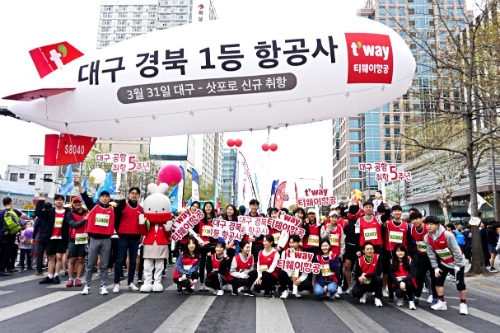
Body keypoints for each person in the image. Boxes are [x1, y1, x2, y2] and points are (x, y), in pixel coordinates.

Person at [76, 176, 124, 295]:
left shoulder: (112, 210)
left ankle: (103, 286)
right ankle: (87, 286)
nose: (104, 198)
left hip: (107, 239)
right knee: (91, 264)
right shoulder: (93, 207)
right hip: (94, 239)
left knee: (104, 265)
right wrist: (78, 184)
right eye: (102, 196)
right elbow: (85, 197)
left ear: (109, 199)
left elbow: (122, 206)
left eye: (106, 197)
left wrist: (120, 193)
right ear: (99, 198)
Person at [424, 216, 468, 315]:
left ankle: (463, 304)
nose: (429, 226)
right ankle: (442, 302)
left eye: (431, 224)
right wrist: (435, 267)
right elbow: (431, 253)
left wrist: (457, 265)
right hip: (444, 262)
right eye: (427, 224)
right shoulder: (427, 237)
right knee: (438, 280)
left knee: (460, 283)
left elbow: (456, 250)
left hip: (457, 262)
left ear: (437, 225)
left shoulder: (447, 235)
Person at [35, 194, 70, 284]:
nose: (59, 201)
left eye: (61, 200)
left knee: (59, 257)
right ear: (54, 202)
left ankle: (56, 275)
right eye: (57, 200)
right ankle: (50, 276)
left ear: (63, 201)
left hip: (62, 238)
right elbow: (38, 213)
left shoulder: (68, 212)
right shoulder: (50, 212)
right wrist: (41, 201)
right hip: (51, 237)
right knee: (51, 257)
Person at [113, 187, 142, 293]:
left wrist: (141, 235)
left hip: (135, 238)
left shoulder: (140, 208)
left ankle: (130, 283)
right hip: (123, 237)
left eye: (136, 193)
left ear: (139, 195)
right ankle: (116, 283)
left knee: (133, 261)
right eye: (132, 193)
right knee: (120, 260)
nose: (134, 195)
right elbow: (116, 213)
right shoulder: (123, 205)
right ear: (129, 194)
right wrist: (120, 195)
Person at [382, 205, 412, 300]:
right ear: (392, 213)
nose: (397, 212)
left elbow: (409, 240)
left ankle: (405, 294)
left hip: (402, 253)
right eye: (395, 211)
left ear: (401, 212)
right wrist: (386, 208)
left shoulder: (406, 225)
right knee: (391, 273)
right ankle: (391, 294)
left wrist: (409, 253)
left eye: (399, 210)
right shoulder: (387, 224)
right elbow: (382, 220)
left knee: (404, 272)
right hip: (389, 251)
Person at [409, 211, 437, 305]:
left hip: (432, 256)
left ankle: (434, 297)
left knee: (433, 277)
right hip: (421, 256)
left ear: (421, 219)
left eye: (417, 219)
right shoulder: (412, 229)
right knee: (419, 276)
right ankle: (416, 296)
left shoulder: (427, 228)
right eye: (413, 220)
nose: (415, 221)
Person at [278, 235, 313, 299]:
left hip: (298, 277)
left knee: (308, 284)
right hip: (288, 276)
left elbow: (305, 272)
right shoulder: (285, 253)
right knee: (281, 273)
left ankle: (296, 289)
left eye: (293, 242)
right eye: (290, 242)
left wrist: (300, 280)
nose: (291, 244)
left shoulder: (303, 254)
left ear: (298, 243)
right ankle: (285, 290)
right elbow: (283, 267)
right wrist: (291, 275)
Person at [66, 197, 89, 287]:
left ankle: (78, 278)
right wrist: (84, 219)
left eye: (78, 202)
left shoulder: (87, 213)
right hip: (73, 238)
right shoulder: (70, 214)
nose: (77, 204)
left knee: (81, 259)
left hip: (84, 239)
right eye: (75, 203)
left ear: (81, 202)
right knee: (72, 260)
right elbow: (74, 225)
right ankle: (70, 279)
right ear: (73, 204)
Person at [321, 210, 345, 297]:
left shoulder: (340, 228)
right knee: (326, 270)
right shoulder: (324, 227)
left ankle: (337, 286)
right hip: (326, 254)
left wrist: (341, 253)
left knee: (337, 271)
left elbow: (342, 241)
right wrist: (328, 228)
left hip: (336, 254)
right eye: (332, 217)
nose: (334, 219)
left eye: (336, 217)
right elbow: (323, 237)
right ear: (329, 218)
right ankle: (326, 287)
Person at [352, 242, 383, 307]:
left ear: (373, 250)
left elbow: (378, 272)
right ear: (363, 251)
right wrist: (359, 278)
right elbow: (355, 276)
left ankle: (377, 298)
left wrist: (366, 276)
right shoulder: (360, 260)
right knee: (355, 293)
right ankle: (363, 293)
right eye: (367, 249)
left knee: (379, 279)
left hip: (373, 283)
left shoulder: (377, 257)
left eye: (371, 249)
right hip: (363, 283)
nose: (369, 251)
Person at [195, 202, 217, 291]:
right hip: (201, 246)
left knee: (210, 265)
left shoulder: (215, 220)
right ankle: (202, 283)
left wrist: (210, 241)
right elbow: (195, 232)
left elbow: (217, 234)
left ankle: (208, 282)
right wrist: (198, 241)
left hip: (211, 246)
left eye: (210, 206)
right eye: (206, 206)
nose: (208, 208)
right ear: (204, 208)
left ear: (212, 208)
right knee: (202, 264)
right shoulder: (198, 219)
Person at [390, 243, 417, 310]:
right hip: (397, 284)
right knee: (399, 293)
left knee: (409, 284)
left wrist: (403, 281)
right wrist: (399, 284)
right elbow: (391, 275)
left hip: (407, 282)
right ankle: (400, 297)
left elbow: (411, 273)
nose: (400, 253)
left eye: (402, 251)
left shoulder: (409, 260)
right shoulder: (391, 261)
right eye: (398, 251)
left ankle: (411, 301)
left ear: (405, 252)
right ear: (395, 252)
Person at [243, 199, 265, 264]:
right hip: (246, 244)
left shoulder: (261, 218)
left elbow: (264, 233)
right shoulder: (245, 218)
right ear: (250, 206)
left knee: (257, 262)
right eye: (253, 205)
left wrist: (255, 238)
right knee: (246, 262)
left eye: (256, 205)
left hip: (257, 244)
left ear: (258, 207)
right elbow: (241, 232)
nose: (254, 207)